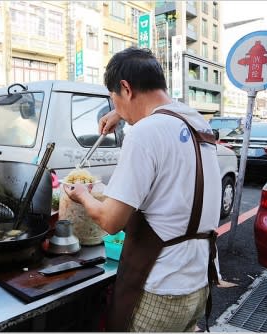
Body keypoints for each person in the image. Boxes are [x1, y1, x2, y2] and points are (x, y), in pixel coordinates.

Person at [64, 47, 221, 332]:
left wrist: (83, 194)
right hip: (199, 281)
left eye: (115, 97)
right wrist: (121, 111)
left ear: (126, 88)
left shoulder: (145, 133)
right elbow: (163, 121)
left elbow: (111, 221)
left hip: (161, 288)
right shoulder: (196, 122)